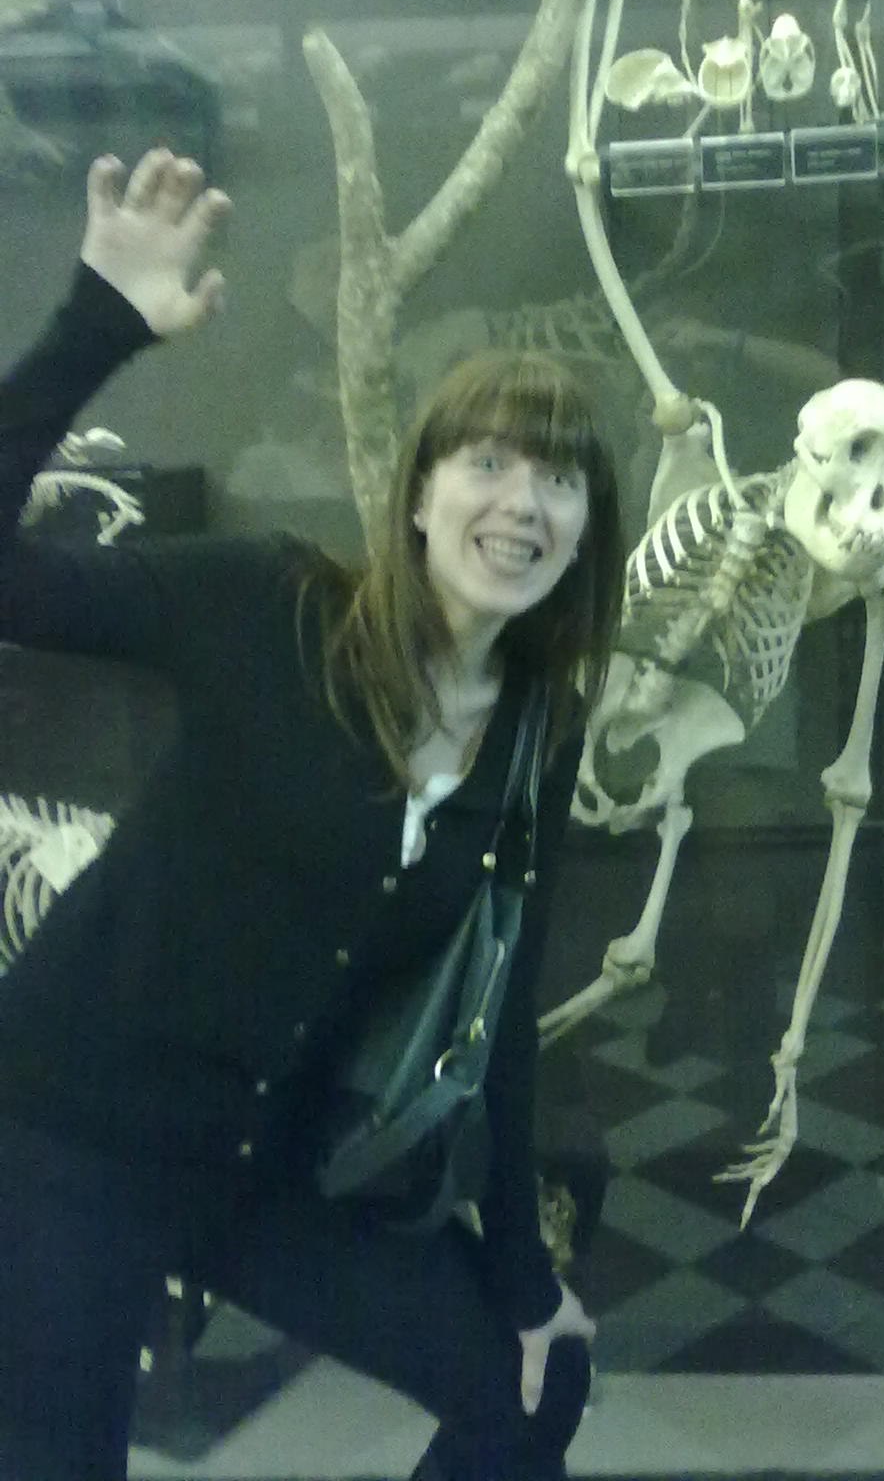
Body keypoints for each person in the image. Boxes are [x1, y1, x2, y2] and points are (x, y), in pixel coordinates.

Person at [0, 148, 626, 1481]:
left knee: (531, 1383)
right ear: (419, 493)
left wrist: (525, 1281)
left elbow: (503, 1018)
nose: (521, 503)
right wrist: (95, 325)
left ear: (586, 531)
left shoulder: (537, 731)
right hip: (68, 1134)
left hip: (261, 1165)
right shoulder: (272, 606)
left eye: (559, 481)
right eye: (489, 462)